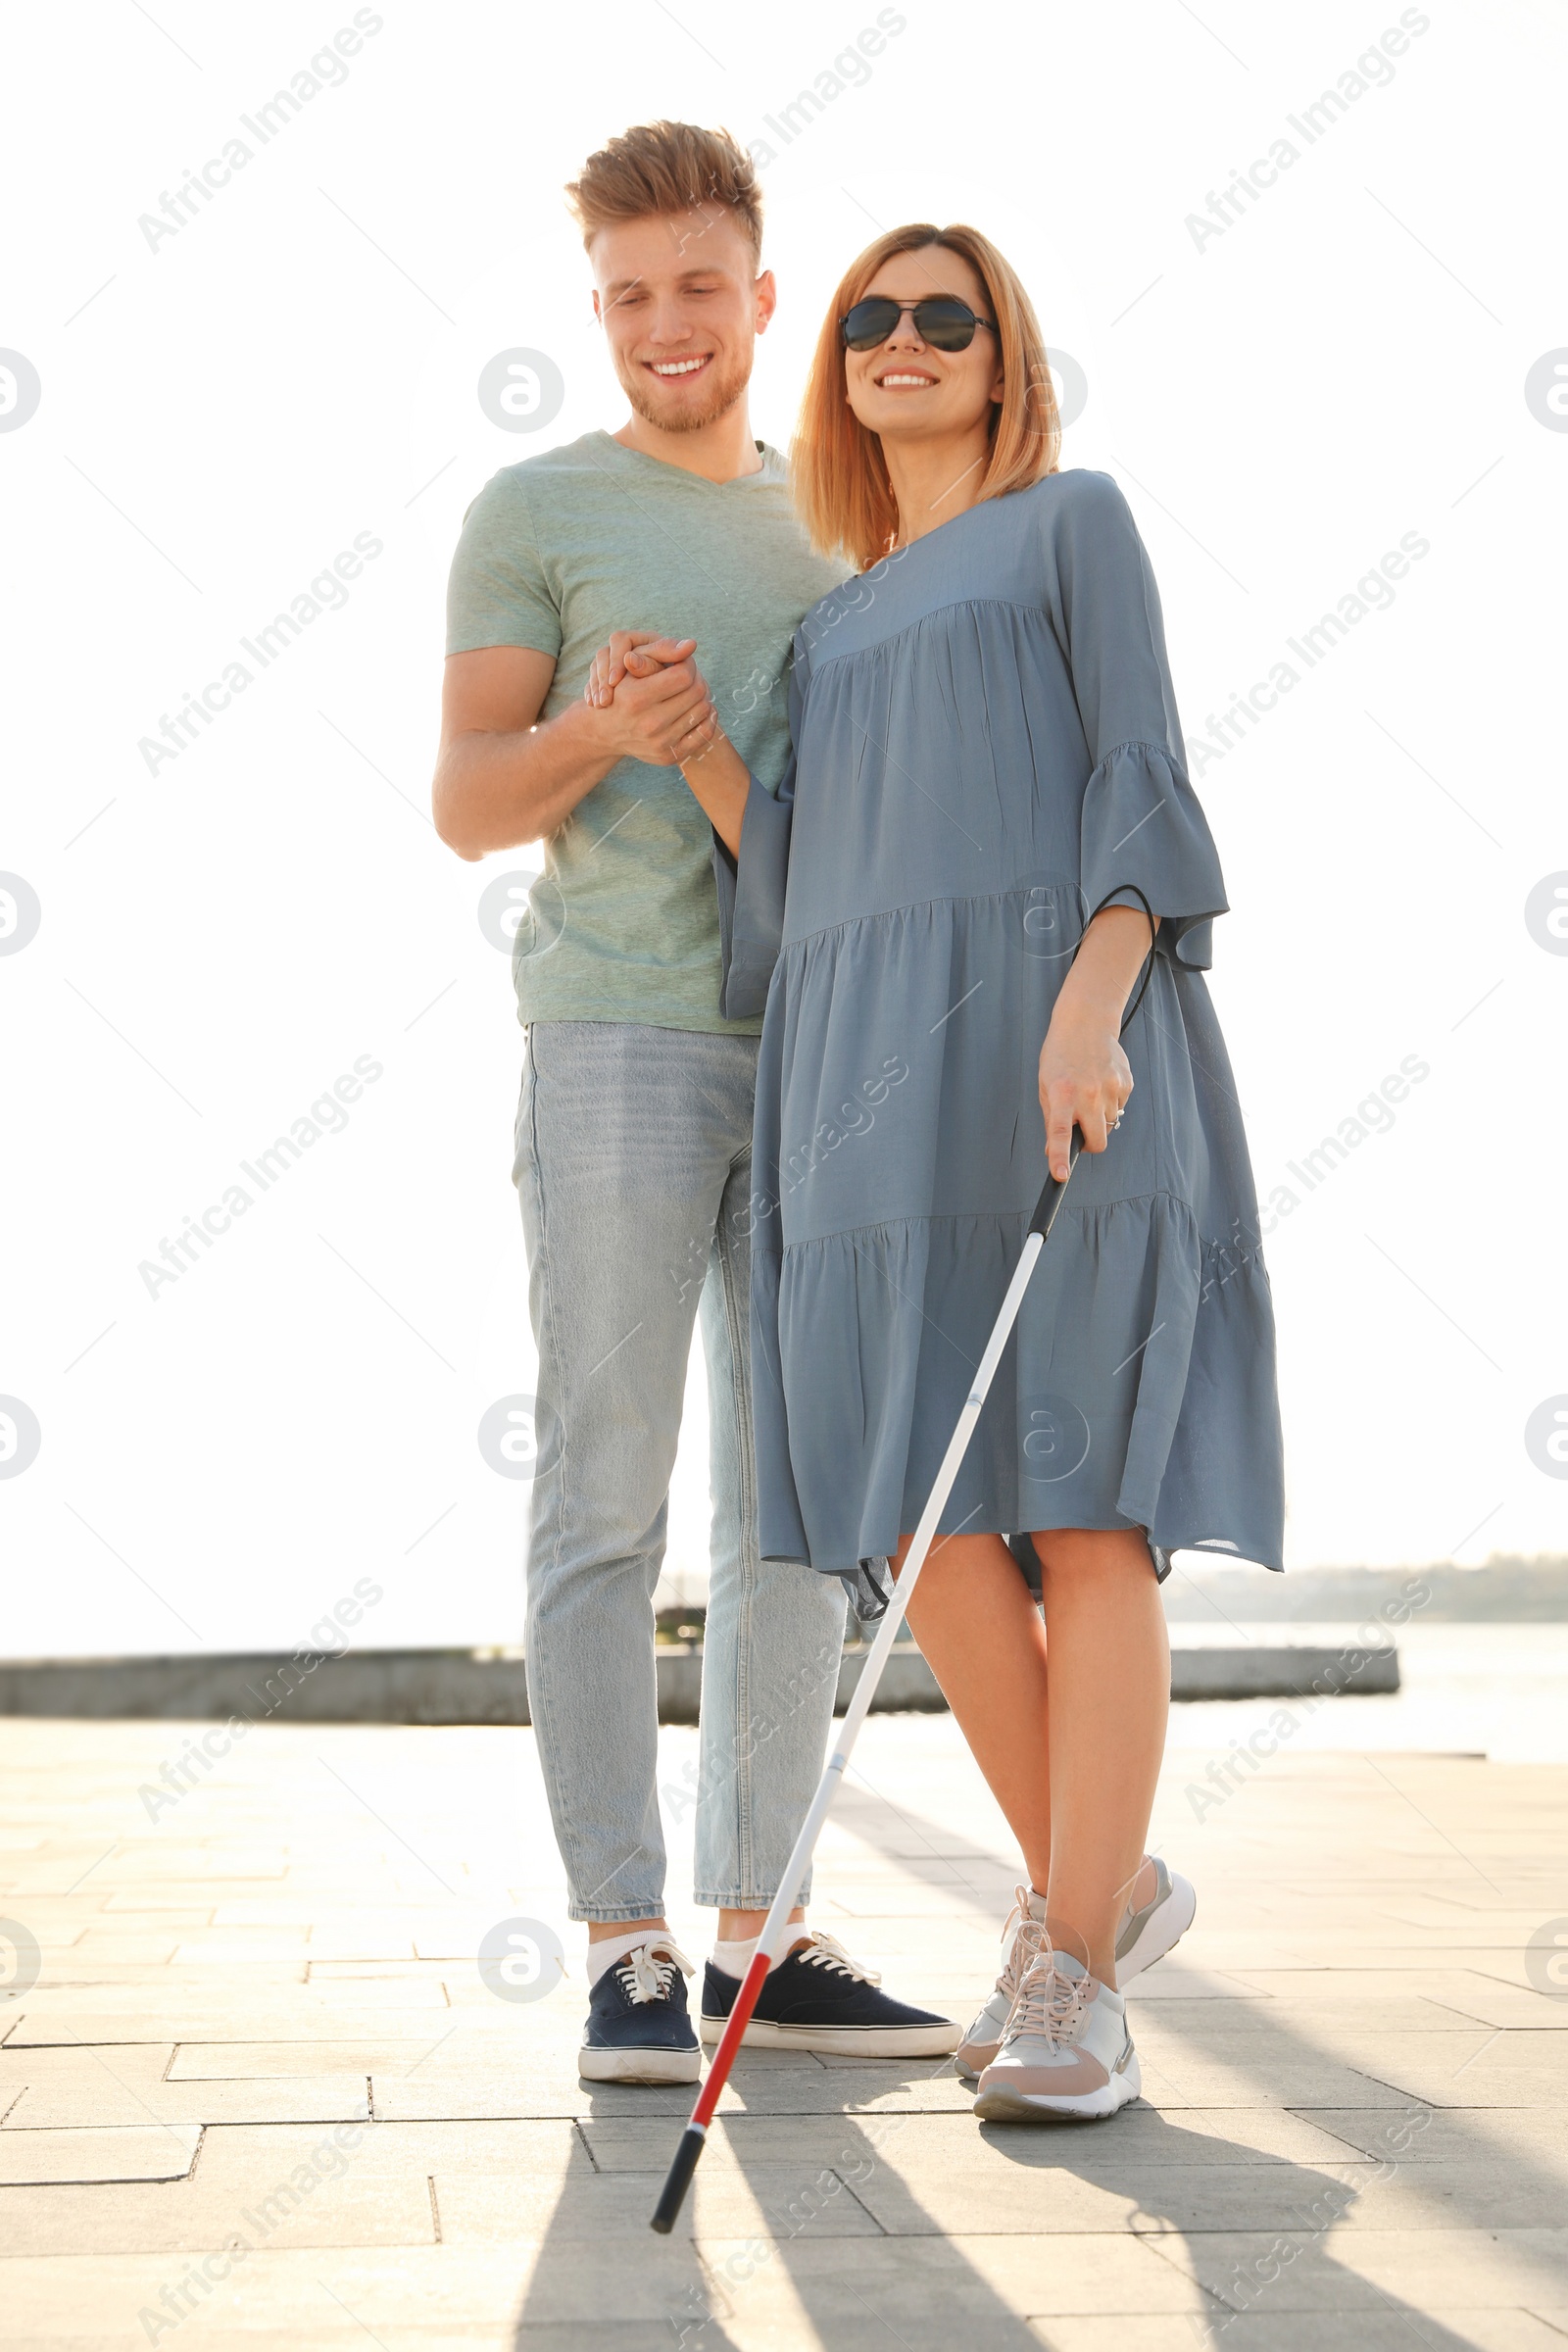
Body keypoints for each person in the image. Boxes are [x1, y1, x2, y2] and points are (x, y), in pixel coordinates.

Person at [588, 220, 1284, 2123]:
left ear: (999, 354)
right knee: (924, 1528)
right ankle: (1102, 1883)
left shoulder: (1076, 526)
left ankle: (1065, 1978)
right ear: (837, 369)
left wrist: (1095, 1001)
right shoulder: (830, 624)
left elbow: (1139, 769)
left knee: (1079, 1512)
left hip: (1066, 1058)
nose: (901, 339)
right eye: (869, 317)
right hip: (865, 1111)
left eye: (941, 316)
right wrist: (707, 762)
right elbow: (806, 886)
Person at [432, 127, 957, 2085]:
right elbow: (466, 801)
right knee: (601, 1488)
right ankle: (625, 1949)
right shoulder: (533, 509)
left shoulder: (836, 519)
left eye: (699, 285)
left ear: (759, 291)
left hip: (824, 1055)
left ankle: (762, 1933)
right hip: (617, 1041)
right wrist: (602, 729)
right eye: (630, 292)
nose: (668, 323)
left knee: (792, 1517)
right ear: (602, 309)